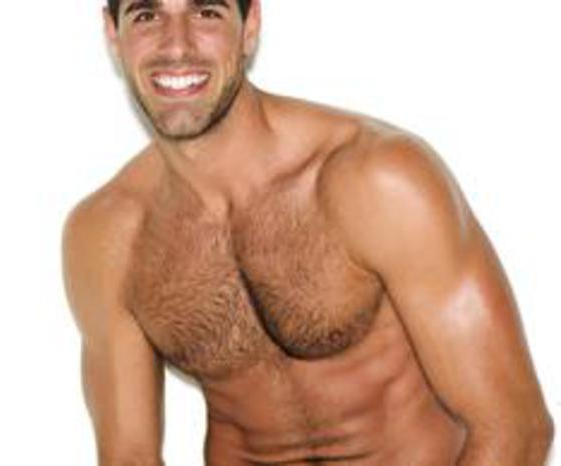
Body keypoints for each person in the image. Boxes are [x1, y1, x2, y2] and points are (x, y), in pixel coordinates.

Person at [61, 1, 554, 465]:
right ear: (113, 34)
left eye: (207, 11)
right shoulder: (108, 235)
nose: (177, 45)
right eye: (146, 15)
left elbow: (514, 427)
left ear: (250, 26)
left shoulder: (376, 178)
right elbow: (129, 456)